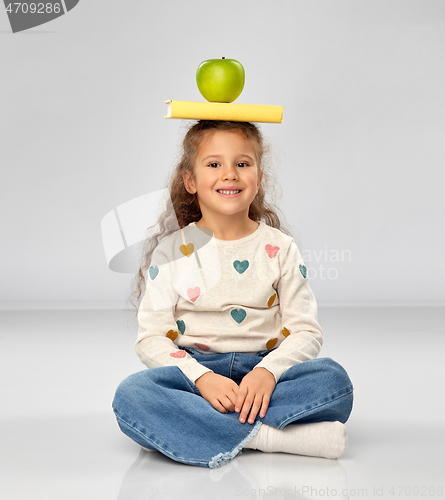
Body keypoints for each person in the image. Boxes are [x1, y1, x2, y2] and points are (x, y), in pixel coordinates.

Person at [112, 120, 353, 468]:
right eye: (214, 164)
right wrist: (202, 379)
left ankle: (192, 425)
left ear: (258, 175)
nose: (230, 174)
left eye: (242, 163)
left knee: (334, 381)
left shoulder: (280, 248)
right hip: (196, 374)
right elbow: (151, 338)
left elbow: (306, 331)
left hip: (265, 370)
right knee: (132, 396)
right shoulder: (170, 252)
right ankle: (268, 438)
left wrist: (267, 372)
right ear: (190, 180)